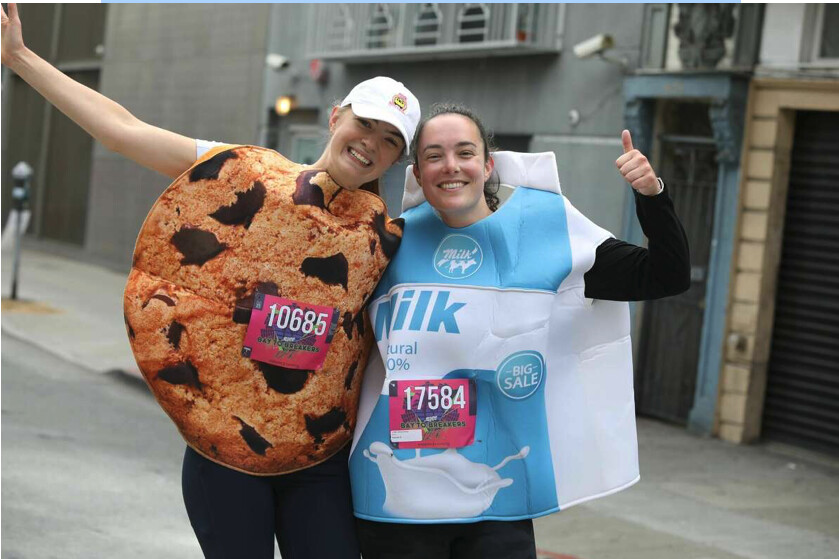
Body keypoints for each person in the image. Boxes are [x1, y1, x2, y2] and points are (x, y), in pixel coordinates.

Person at [2, 4, 421, 558]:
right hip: (225, 451)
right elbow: (123, 130)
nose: (371, 142)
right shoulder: (244, 173)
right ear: (334, 117)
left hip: (318, 459)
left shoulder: (385, 237)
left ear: (396, 159)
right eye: (365, 123)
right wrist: (20, 57)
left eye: (390, 139)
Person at [348, 103, 691, 558]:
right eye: (434, 156)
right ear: (418, 173)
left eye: (464, 152)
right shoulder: (389, 243)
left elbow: (668, 276)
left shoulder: (546, 234)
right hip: (396, 497)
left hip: (495, 496)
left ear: (488, 164)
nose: (451, 166)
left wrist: (651, 195)